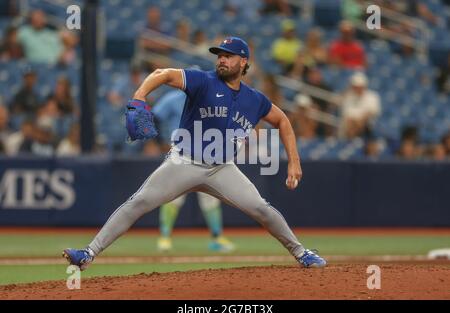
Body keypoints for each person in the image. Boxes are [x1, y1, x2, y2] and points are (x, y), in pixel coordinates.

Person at [63, 36, 326, 270]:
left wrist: (294, 160)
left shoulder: (254, 99)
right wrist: (140, 95)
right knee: (139, 202)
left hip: (222, 168)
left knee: (262, 209)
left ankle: (302, 253)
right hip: (184, 162)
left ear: (243, 62)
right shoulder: (203, 81)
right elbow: (163, 73)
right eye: (219, 55)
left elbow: (282, 121)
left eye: (228, 55)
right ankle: (88, 253)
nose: (221, 59)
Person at [152, 88, 235, 252]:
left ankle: (216, 238)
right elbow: (155, 116)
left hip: (205, 152)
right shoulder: (173, 98)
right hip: (181, 151)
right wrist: (160, 141)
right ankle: (164, 237)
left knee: (210, 196)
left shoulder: (208, 98)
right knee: (173, 195)